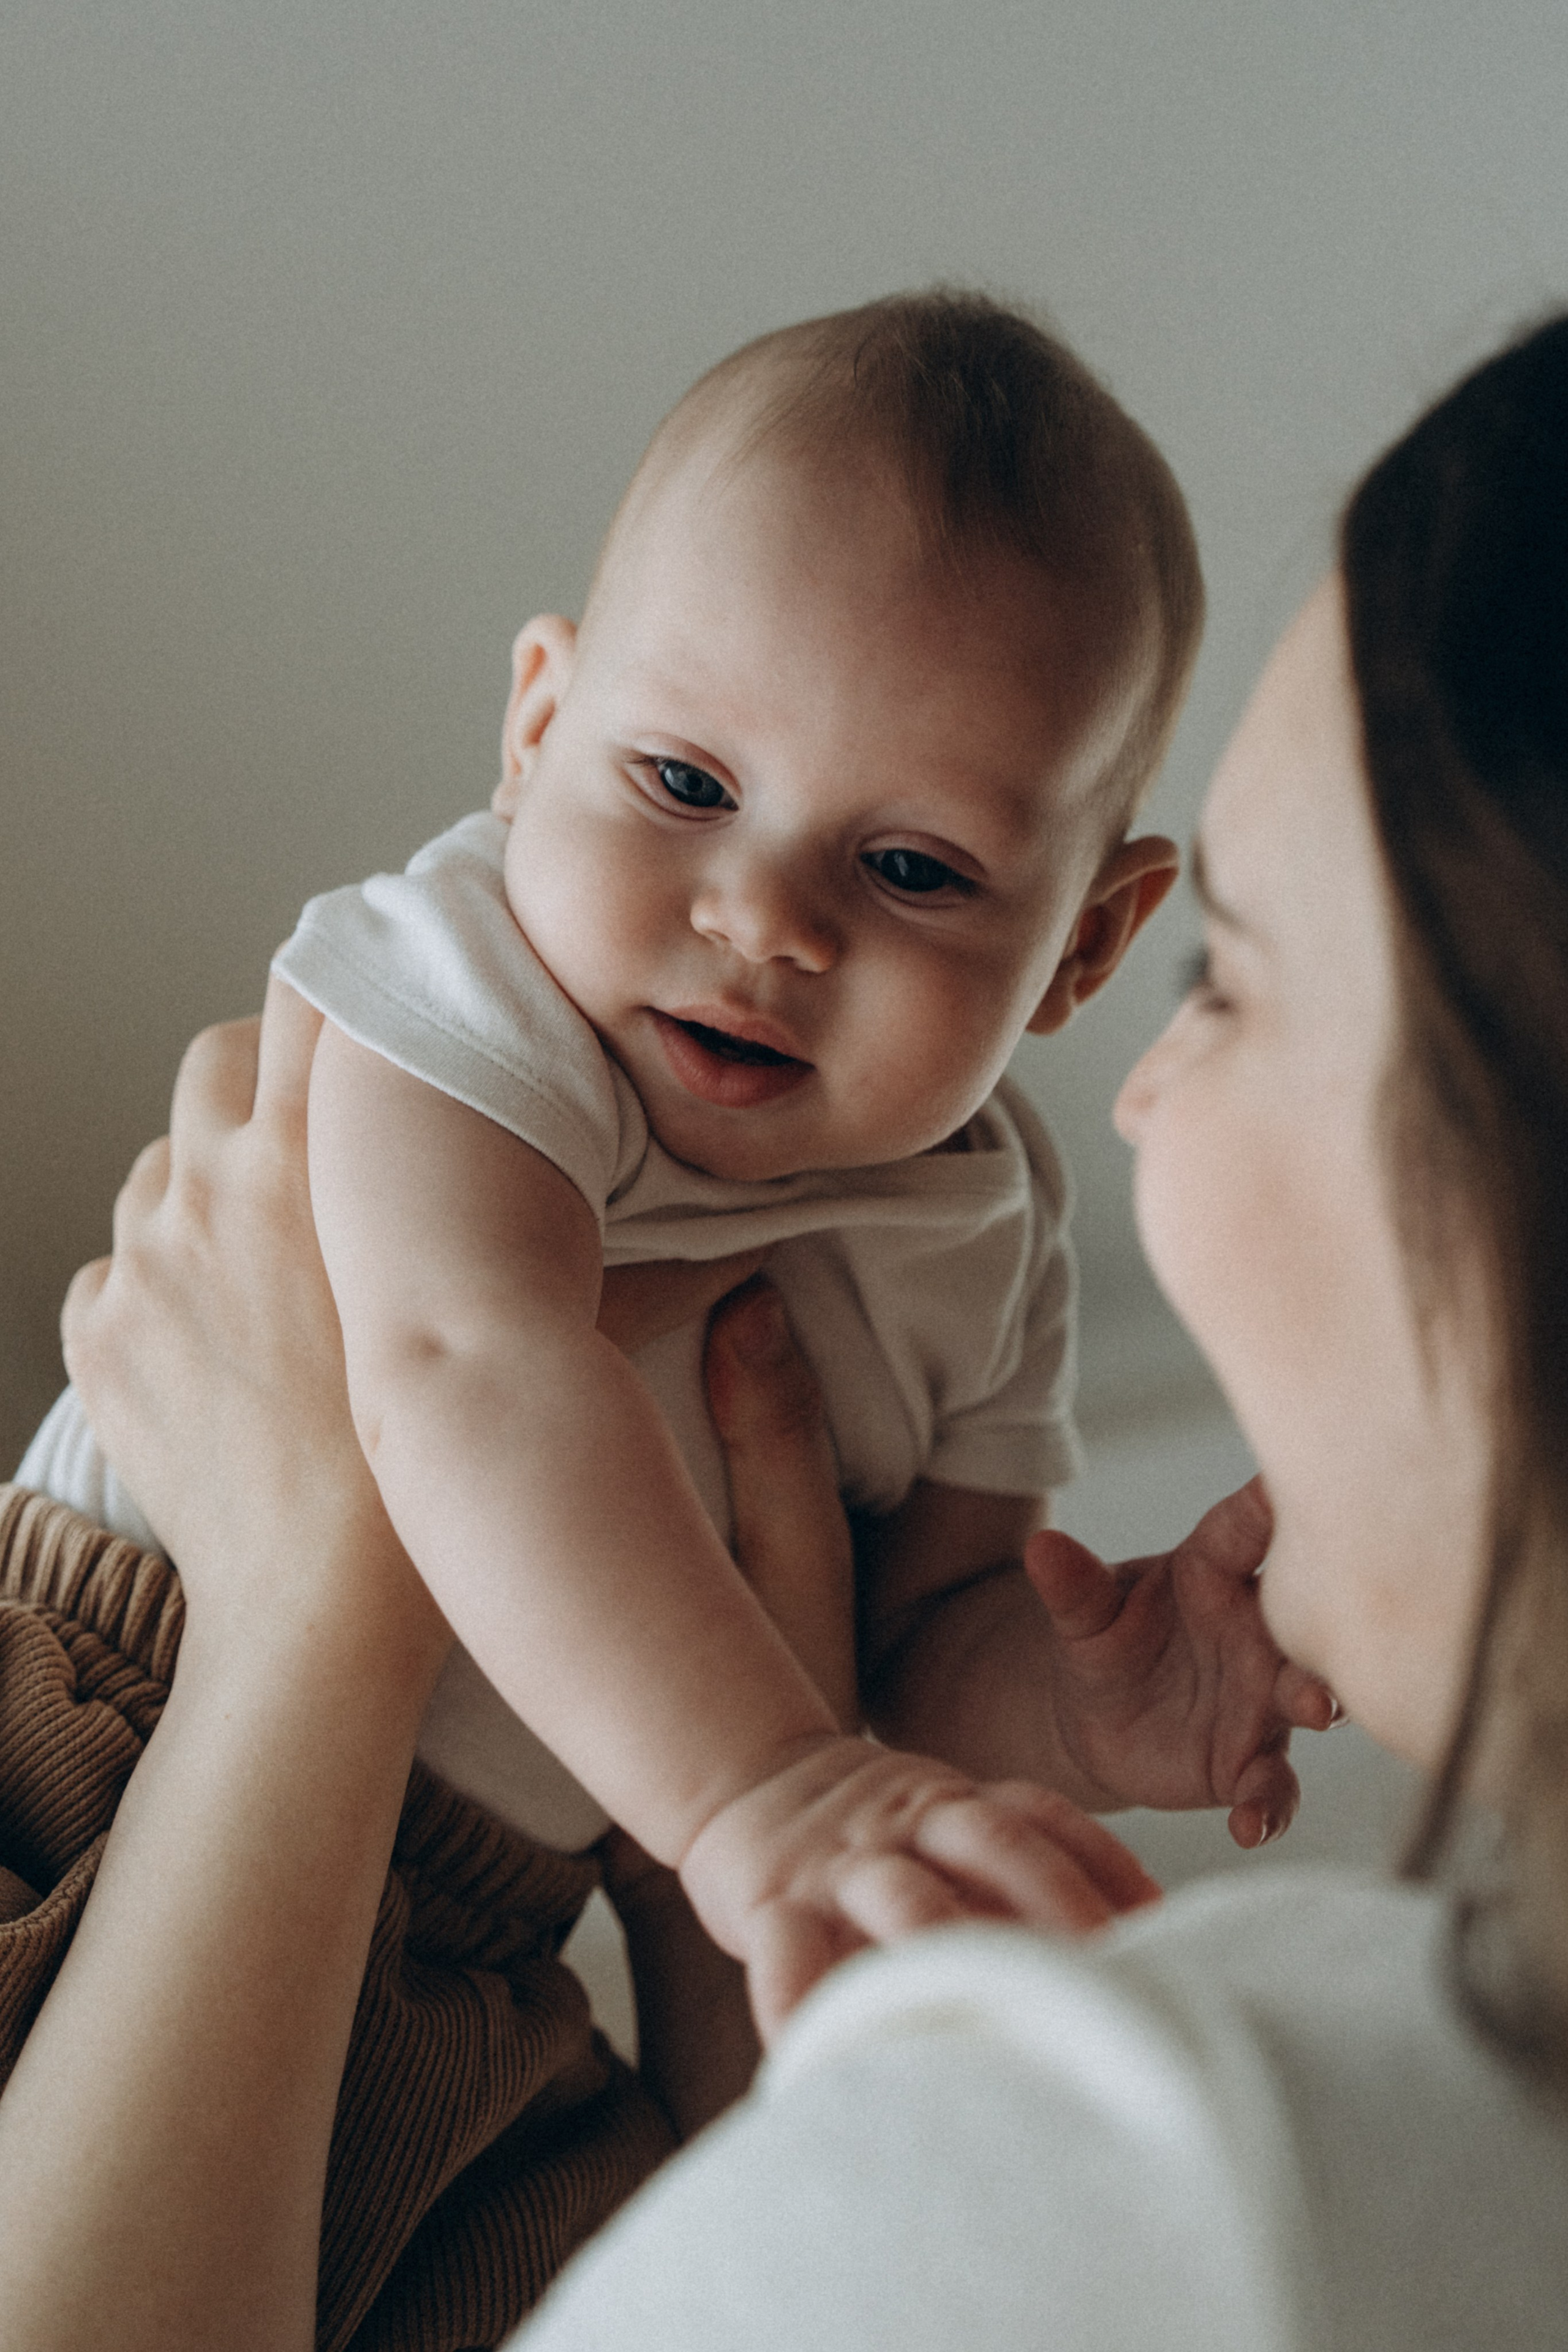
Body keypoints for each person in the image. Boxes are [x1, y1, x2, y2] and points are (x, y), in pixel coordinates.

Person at [9, 307, 1568, 2349]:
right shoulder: (463, 985)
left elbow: (896, 1670)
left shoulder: (983, 1239)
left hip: (498, 1940)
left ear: (1087, 943)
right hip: (106, 1735)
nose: (764, 914)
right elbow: (459, 1369)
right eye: (681, 780)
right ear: (536, 727)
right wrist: (758, 1798)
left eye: (912, 868)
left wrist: (1076, 1709)